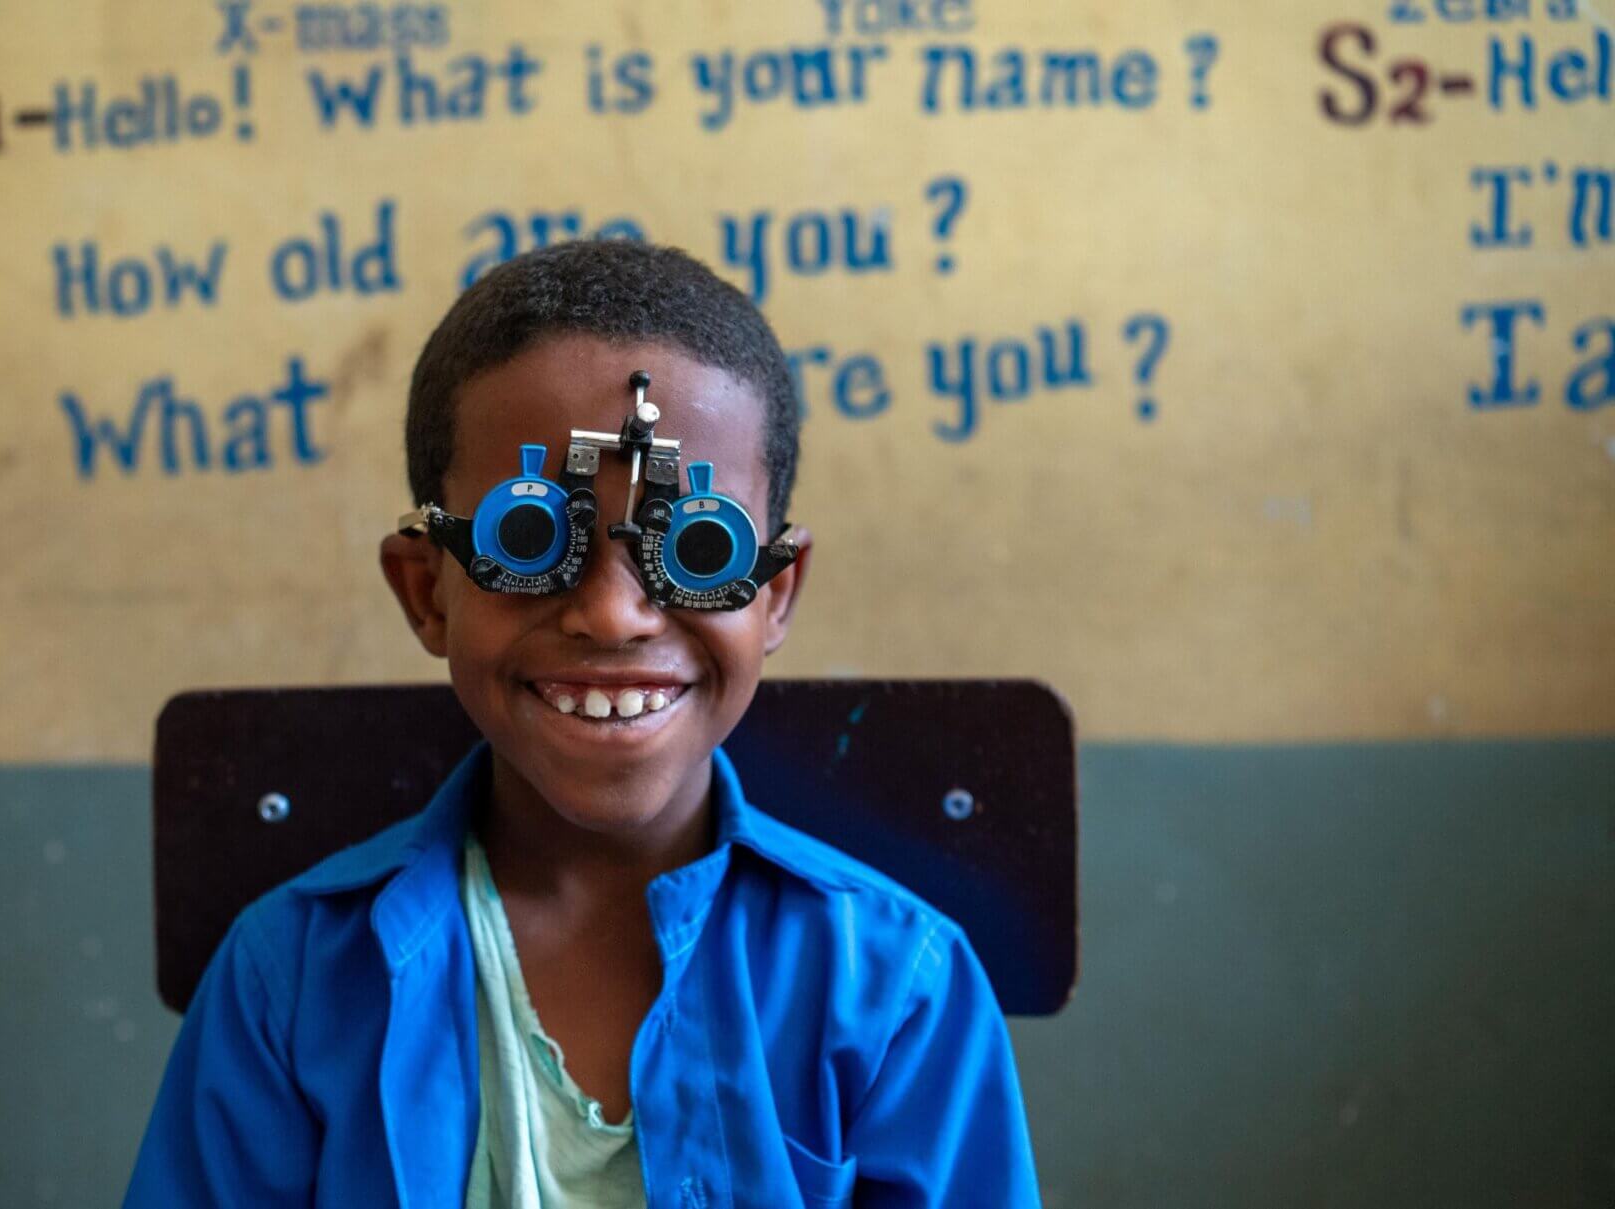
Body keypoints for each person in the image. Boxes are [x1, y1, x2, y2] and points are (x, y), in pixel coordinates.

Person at [124, 240, 1040, 1207]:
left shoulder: (894, 989)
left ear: (775, 594)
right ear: (426, 589)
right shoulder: (293, 981)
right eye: (532, 538)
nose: (613, 614)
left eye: (694, 545)